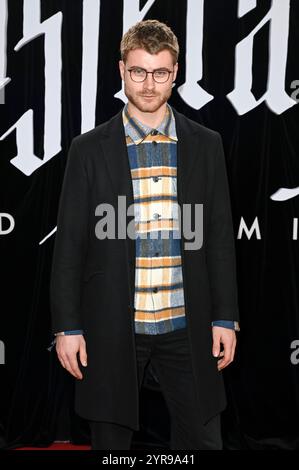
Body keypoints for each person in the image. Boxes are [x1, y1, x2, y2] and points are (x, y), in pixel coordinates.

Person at [50, 19, 239, 450]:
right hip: (114, 323)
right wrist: (67, 326)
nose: (149, 84)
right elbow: (69, 248)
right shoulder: (88, 149)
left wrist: (225, 317)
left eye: (160, 72)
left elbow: (220, 240)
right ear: (121, 70)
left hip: (185, 322)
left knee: (203, 441)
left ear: (175, 73)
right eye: (138, 71)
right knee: (111, 446)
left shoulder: (205, 144)